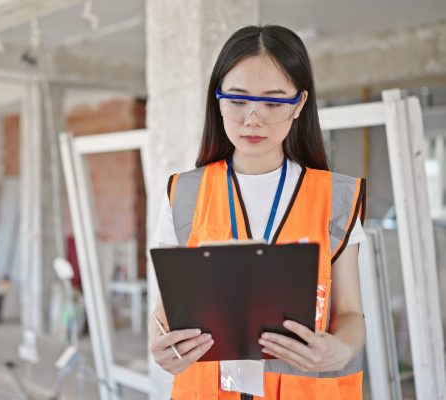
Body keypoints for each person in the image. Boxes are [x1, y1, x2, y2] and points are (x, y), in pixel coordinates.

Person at [148, 25, 367, 399]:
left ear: (298, 104)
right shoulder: (184, 192)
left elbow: (351, 314)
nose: (252, 119)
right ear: (217, 100)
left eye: (272, 102)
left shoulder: (336, 197)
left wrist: (341, 348)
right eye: (237, 100)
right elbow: (164, 313)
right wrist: (160, 344)